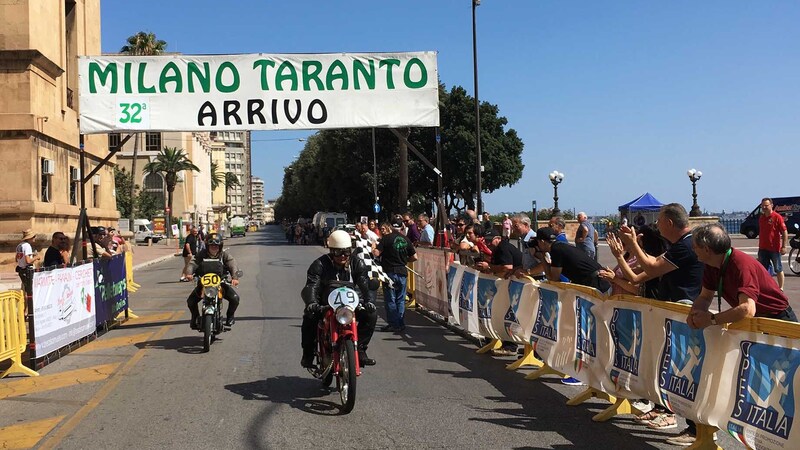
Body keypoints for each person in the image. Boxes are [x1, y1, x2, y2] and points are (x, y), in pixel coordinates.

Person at [688, 223, 796, 327]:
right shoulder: (711, 264)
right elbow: (705, 297)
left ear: (706, 249)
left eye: (694, 246)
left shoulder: (741, 265)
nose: (693, 249)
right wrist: (694, 314)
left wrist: (712, 320)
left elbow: (747, 309)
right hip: (756, 322)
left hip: (778, 320)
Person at [300, 230, 378, 368]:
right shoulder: (319, 264)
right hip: (325, 304)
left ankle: (360, 349)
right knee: (309, 317)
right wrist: (311, 302)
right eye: (338, 252)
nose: (343, 256)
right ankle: (308, 354)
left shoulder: (357, 263)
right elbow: (311, 285)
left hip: (350, 305)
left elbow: (365, 283)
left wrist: (370, 301)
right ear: (331, 251)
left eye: (346, 252)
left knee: (371, 314)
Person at [475, 229, 522, 357]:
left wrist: (488, 267)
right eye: (487, 241)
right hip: (508, 285)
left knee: (506, 315)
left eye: (490, 241)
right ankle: (504, 342)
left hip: (514, 286)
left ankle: (511, 346)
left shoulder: (503, 247)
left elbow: (507, 267)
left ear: (498, 238)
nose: (489, 244)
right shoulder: (499, 248)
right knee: (501, 314)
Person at [186, 233, 240, 329]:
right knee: (191, 301)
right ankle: (195, 317)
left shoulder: (224, 255)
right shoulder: (201, 254)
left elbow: (232, 264)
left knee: (235, 299)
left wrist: (235, 277)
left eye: (216, 245)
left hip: (221, 283)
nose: (214, 247)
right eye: (211, 245)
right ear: (207, 245)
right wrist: (189, 273)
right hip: (203, 284)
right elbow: (193, 263)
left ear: (220, 246)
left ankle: (230, 317)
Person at [374, 216, 417, 332]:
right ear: (401, 225)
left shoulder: (386, 239)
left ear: (391, 226)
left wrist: (373, 248)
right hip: (402, 272)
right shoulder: (405, 239)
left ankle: (394, 324)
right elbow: (414, 257)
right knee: (400, 299)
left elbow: (377, 253)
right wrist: (404, 261)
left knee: (390, 299)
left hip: (389, 273)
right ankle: (400, 323)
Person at [757, 197, 789, 291]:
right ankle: (765, 287)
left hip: (774, 249)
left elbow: (784, 232)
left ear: (771, 205)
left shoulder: (777, 217)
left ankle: (781, 287)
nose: (764, 207)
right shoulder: (762, 218)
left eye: (766, 205)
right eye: (762, 206)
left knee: (778, 268)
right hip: (763, 248)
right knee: (763, 269)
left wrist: (784, 246)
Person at [15, 229, 38, 293]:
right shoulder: (27, 246)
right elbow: (28, 261)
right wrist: (36, 257)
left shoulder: (19, 245)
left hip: (21, 270)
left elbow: (17, 258)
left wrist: (31, 254)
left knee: (24, 289)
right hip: (28, 270)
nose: (35, 238)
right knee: (30, 290)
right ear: (30, 238)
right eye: (34, 237)